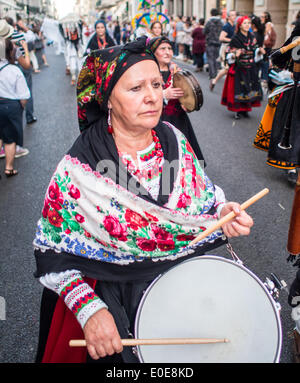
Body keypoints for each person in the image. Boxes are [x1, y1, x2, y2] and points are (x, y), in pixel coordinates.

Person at [33, 36, 253, 363]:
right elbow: (52, 248)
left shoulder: (172, 138)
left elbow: (202, 195)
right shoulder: (81, 166)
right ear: (107, 99)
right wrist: (89, 310)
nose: (152, 97)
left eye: (156, 84)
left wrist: (222, 211)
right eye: (136, 89)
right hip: (111, 293)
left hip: (176, 287)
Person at [253, 20, 300, 184]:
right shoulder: (297, 38)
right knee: (294, 128)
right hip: (297, 90)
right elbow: (279, 58)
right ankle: (292, 166)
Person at [149, 36, 205, 163]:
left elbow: (187, 96)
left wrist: (187, 103)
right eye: (162, 49)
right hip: (157, 122)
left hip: (179, 121)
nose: (167, 52)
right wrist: (163, 94)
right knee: (165, 161)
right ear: (154, 52)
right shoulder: (148, 72)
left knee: (184, 162)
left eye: (169, 48)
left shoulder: (177, 72)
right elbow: (142, 96)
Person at [0, 23, 30, 178]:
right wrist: (20, 108)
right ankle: (9, 168)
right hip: (10, 106)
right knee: (10, 139)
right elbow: (24, 96)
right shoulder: (14, 70)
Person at [221, 16, 263, 119]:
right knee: (240, 89)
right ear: (240, 26)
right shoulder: (235, 38)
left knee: (249, 88)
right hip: (240, 68)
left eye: (248, 23)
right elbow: (228, 53)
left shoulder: (252, 37)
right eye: (244, 23)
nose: (247, 25)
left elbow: (255, 49)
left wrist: (259, 51)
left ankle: (246, 110)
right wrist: (235, 54)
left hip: (251, 67)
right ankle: (238, 111)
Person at [210, 10, 236, 91]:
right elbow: (221, 38)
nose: (234, 17)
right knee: (226, 69)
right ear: (228, 17)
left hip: (232, 49)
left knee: (232, 68)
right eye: (232, 15)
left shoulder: (234, 26)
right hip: (225, 49)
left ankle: (233, 87)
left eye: (235, 15)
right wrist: (231, 40)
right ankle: (214, 80)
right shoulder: (226, 26)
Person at [204, 8, 223, 86]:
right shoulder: (221, 22)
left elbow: (204, 31)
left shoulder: (209, 22)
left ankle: (212, 74)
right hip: (219, 43)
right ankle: (216, 72)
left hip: (210, 42)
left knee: (211, 59)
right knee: (216, 58)